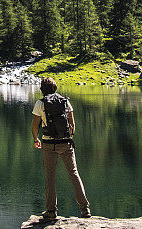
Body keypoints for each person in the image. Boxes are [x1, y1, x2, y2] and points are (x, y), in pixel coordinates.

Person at [31, 77, 91, 221]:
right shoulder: (65, 101)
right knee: (74, 174)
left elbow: (35, 125)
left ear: (42, 89)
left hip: (48, 144)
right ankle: (85, 209)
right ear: (55, 88)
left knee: (50, 176)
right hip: (66, 143)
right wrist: (69, 136)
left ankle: (51, 211)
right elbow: (72, 123)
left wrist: (35, 139)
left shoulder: (40, 103)